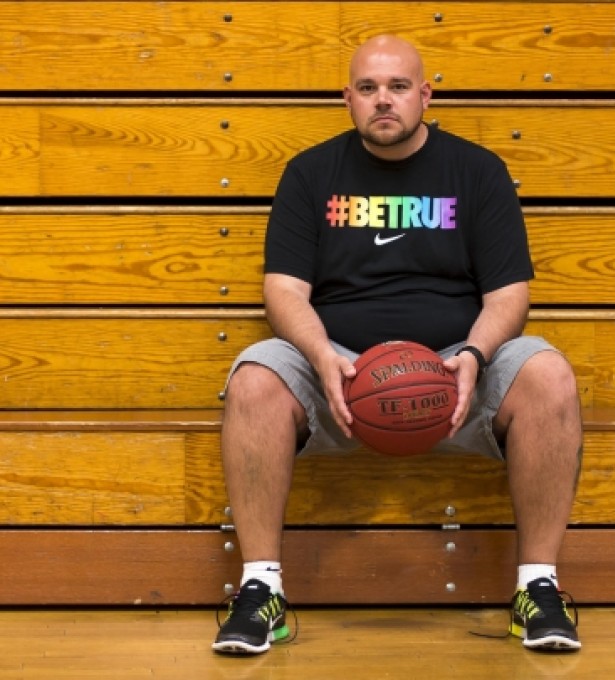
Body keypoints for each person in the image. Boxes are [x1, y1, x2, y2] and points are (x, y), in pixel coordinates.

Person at [211, 34, 584, 655]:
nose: (383, 100)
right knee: (253, 377)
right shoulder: (310, 173)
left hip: (455, 369)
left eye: (398, 86)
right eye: (368, 88)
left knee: (549, 373)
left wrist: (472, 356)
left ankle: (537, 590)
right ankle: (261, 590)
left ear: (425, 95)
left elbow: (509, 296)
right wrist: (323, 354)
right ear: (347, 99)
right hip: (339, 372)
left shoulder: (477, 171)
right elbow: (282, 291)